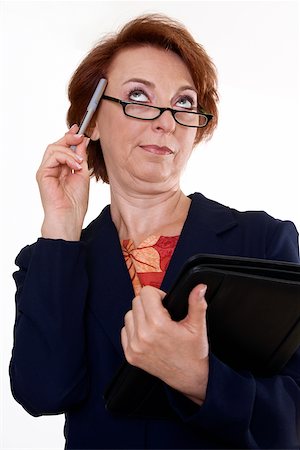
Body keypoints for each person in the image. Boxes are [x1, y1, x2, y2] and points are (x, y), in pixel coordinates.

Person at [9, 13, 300, 449]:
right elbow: (43, 393)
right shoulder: (50, 260)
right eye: (139, 96)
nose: (166, 120)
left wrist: (199, 378)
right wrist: (61, 226)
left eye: (184, 103)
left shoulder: (262, 242)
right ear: (91, 124)